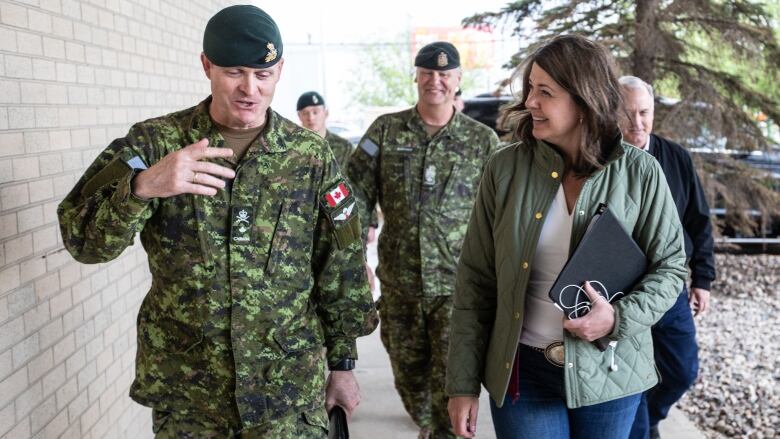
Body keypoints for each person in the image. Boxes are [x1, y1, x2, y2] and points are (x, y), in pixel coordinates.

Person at [57, 5, 377, 438]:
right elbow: (85, 243)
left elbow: (339, 268)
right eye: (234, 72)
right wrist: (142, 186)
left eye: (263, 74)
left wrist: (343, 364)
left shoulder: (310, 158)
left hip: (286, 397)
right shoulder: (154, 144)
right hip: (190, 396)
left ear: (280, 70)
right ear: (206, 65)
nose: (250, 89)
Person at [445, 34, 688, 439]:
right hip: (523, 373)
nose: (530, 103)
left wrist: (618, 318)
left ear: (584, 100)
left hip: (609, 370)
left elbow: (671, 267)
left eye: (545, 92)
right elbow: (475, 282)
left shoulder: (640, 172)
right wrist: (462, 384)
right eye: (529, 90)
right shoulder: (504, 169)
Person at [347, 41, 499, 439]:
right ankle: (429, 423)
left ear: (458, 80)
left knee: (453, 380)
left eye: (445, 75)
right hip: (400, 285)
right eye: (428, 73)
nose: (436, 81)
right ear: (416, 76)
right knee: (409, 373)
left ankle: (439, 430)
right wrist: (358, 245)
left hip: (458, 287)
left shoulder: (482, 142)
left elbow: (501, 210)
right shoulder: (386, 130)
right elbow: (353, 191)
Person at [619, 76, 716, 439]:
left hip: (669, 286)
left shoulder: (675, 157)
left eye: (644, 112)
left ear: (654, 112)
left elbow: (699, 221)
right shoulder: (603, 159)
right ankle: (644, 427)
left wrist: (702, 280)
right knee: (632, 377)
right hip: (621, 291)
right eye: (627, 114)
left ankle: (655, 414)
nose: (637, 123)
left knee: (682, 370)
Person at [296, 91, 353, 168]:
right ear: (299, 116)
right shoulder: (291, 149)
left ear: (326, 113)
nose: (311, 117)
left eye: (315, 112)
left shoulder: (345, 148)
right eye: (305, 113)